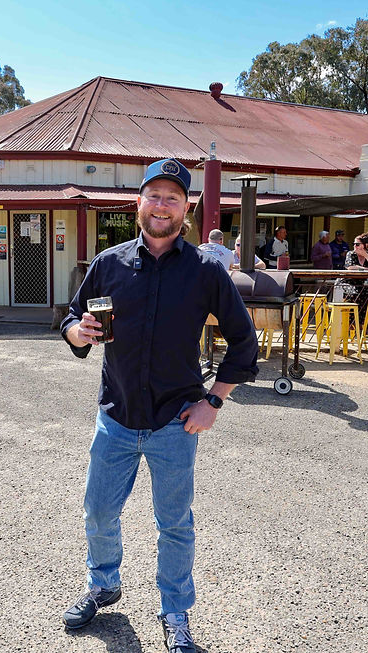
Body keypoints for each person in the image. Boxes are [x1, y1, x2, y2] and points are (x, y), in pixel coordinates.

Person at [60, 158, 259, 653]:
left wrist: (214, 400)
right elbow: (70, 318)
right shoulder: (109, 264)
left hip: (176, 422)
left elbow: (244, 343)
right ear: (138, 203)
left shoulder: (206, 270)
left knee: (174, 524)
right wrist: (75, 331)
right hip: (117, 417)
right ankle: (104, 583)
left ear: (186, 208)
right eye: (154, 196)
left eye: (172, 198)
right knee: (99, 511)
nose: (162, 206)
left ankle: (175, 613)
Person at [340, 231, 368, 315]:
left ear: (366, 245)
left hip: (361, 283)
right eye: (354, 244)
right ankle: (351, 322)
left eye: (357, 244)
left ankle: (366, 323)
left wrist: (366, 255)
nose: (355, 246)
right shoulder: (351, 254)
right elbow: (350, 267)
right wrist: (366, 269)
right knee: (354, 295)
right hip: (347, 282)